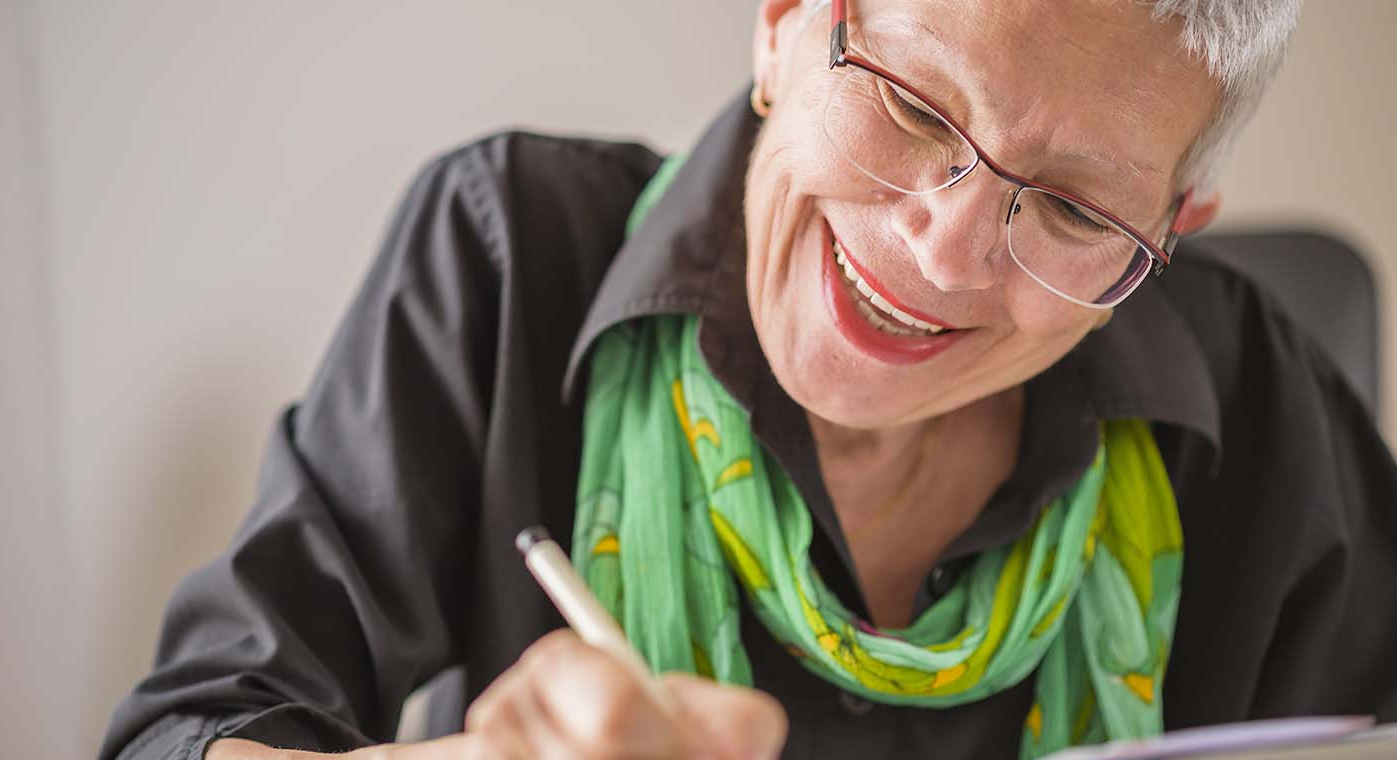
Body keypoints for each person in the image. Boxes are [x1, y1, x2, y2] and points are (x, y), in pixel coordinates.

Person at [100, 0, 1397, 758]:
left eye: (1068, 208)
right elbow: (188, 728)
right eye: (914, 105)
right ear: (785, 28)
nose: (940, 251)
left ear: (1168, 232)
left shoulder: (1261, 395)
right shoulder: (507, 251)